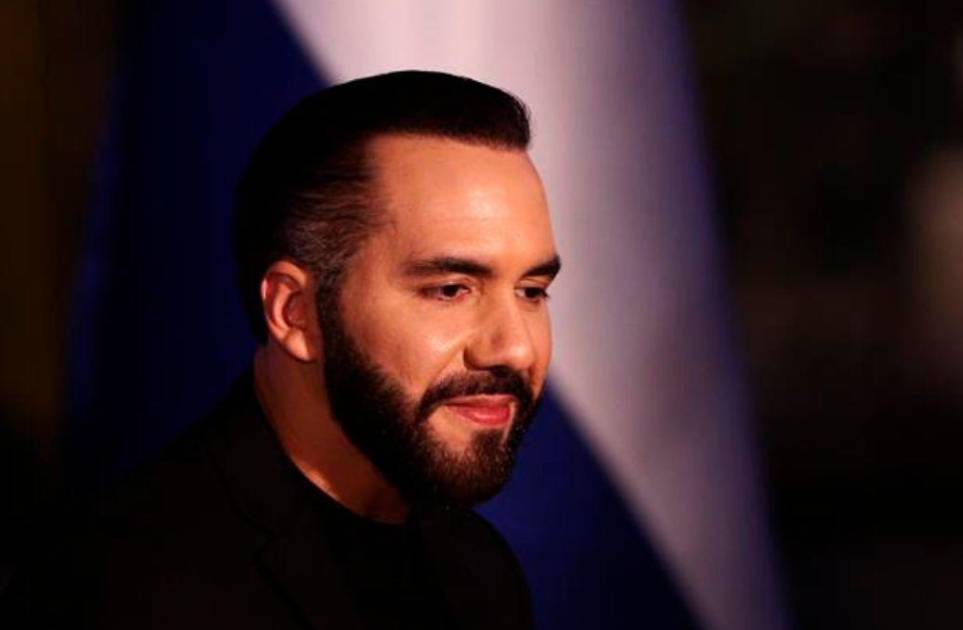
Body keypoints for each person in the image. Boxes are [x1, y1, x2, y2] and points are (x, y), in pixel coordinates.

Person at [4, 70, 559, 629]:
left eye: (532, 291)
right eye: (451, 290)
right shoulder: (119, 588)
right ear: (295, 313)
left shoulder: (478, 570)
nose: (514, 348)